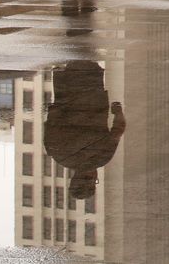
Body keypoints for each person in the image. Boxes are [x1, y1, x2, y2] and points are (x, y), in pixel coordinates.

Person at [43, 60, 126, 201]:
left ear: (93, 180)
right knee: (72, 54)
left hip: (93, 96)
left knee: (87, 56)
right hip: (65, 90)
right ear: (73, 180)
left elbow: (117, 130)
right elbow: (50, 123)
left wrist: (117, 111)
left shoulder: (102, 158)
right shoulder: (60, 157)